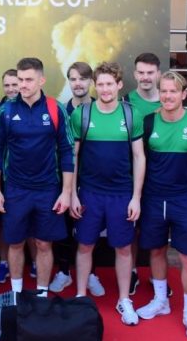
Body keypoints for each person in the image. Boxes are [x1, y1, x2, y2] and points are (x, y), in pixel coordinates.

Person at [134, 71, 187, 339]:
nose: (167, 96)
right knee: (156, 251)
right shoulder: (147, 123)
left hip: (184, 200)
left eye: (173, 91)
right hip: (154, 198)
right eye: (163, 91)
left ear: (183, 94)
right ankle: (160, 301)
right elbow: (139, 159)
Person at [0, 57, 74, 298]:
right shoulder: (6, 110)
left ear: (41, 80)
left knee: (44, 244)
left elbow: (68, 151)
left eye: (28, 80)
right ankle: (16, 293)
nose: (22, 85)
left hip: (48, 189)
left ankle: (42, 294)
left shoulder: (55, 109)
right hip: (15, 189)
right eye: (19, 80)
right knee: (15, 243)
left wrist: (66, 192)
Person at [69, 62, 146, 326]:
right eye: (100, 84)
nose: (104, 89)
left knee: (124, 248)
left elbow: (139, 156)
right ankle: (80, 296)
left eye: (109, 84)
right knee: (85, 245)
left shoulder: (131, 114)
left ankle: (124, 299)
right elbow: (73, 156)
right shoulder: (82, 114)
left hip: (121, 194)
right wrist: (72, 194)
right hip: (89, 193)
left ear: (119, 85)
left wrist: (136, 197)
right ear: (95, 85)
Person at [49, 61, 105, 297]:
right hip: (63, 179)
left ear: (91, 81)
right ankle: (64, 271)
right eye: (73, 79)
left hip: (93, 181)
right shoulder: (61, 110)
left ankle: (92, 273)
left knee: (92, 229)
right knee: (63, 227)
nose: (78, 83)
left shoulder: (101, 108)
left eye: (83, 78)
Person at [124, 53, 164, 296]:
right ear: (134, 74)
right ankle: (132, 273)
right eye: (141, 72)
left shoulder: (170, 98)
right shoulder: (126, 101)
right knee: (132, 229)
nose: (146, 77)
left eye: (150, 72)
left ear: (158, 73)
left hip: (161, 177)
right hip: (132, 176)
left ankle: (157, 278)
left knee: (158, 230)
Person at [0, 68, 20, 284]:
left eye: (14, 84)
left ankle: (35, 265)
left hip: (25, 181)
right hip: (2, 179)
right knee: (3, 224)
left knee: (28, 226)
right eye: (7, 85)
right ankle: (3, 263)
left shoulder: (37, 109)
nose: (11, 89)